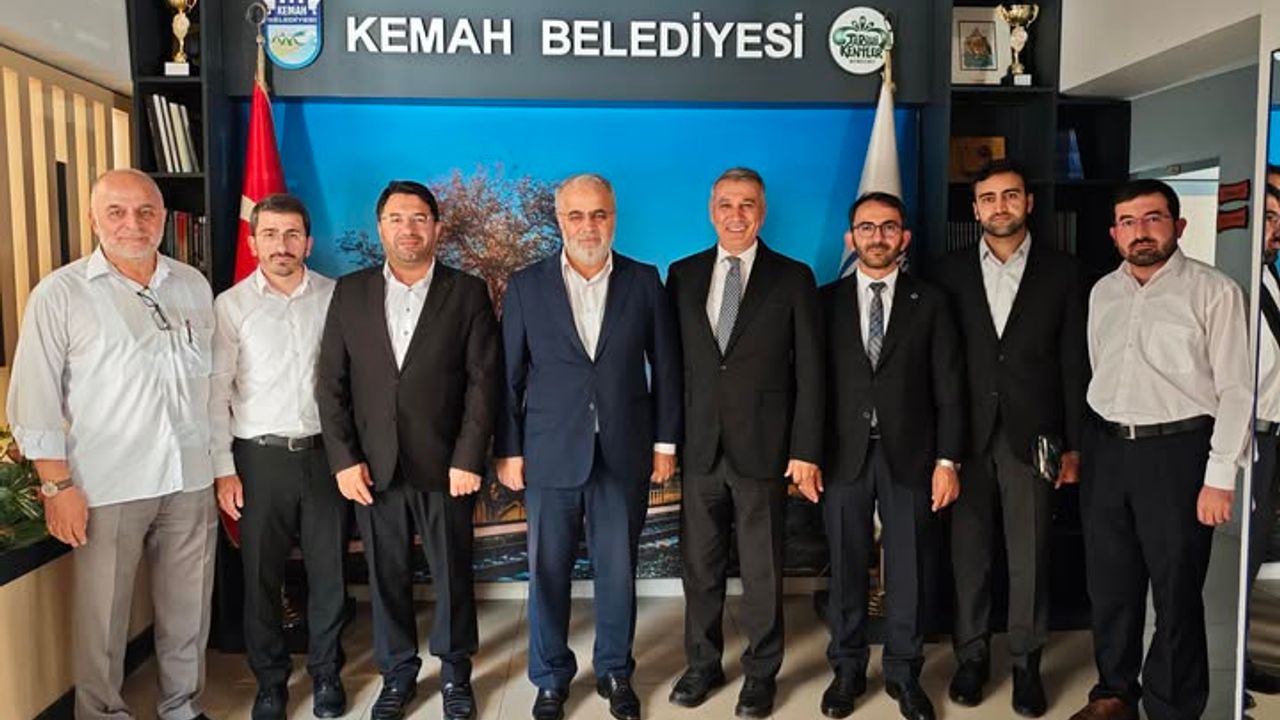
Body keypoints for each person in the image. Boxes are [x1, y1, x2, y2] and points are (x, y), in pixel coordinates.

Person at [6, 168, 218, 720]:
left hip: (190, 477)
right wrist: (56, 486)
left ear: (163, 218)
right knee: (102, 618)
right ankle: (101, 714)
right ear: (93, 219)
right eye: (117, 212)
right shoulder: (60, 294)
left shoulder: (192, 284)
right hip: (107, 483)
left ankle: (182, 707)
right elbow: (34, 397)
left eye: (146, 211)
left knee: (189, 611)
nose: (133, 224)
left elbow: (213, 384)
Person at [495, 173, 681, 720]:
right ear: (560, 221)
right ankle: (550, 677)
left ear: (613, 218)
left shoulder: (644, 281)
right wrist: (508, 450)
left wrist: (665, 443)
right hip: (549, 453)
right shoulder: (526, 286)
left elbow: (667, 369)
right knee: (547, 572)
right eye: (576, 215)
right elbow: (508, 377)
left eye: (599, 214)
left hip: (625, 451)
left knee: (618, 571)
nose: (588, 226)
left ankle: (616, 671)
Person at [316, 180, 500, 720]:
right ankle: (397, 673)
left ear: (436, 227)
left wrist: (469, 456)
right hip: (373, 467)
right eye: (396, 218)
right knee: (386, 576)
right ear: (381, 228)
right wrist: (344, 459)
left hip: (447, 467)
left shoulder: (466, 292)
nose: (408, 229)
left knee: (452, 575)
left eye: (419, 218)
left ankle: (456, 674)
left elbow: (483, 383)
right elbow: (330, 384)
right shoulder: (350, 293)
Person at [1069, 179, 1251, 720]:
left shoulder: (1214, 292)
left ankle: (1173, 705)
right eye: (1128, 222)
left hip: (1178, 454)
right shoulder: (1103, 292)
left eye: (1153, 218)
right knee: (1110, 583)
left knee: (1176, 589)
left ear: (1178, 225)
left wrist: (1220, 475)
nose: (1140, 231)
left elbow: (1237, 390)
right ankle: (1114, 693)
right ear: (1114, 233)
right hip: (1107, 450)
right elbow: (1099, 367)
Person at [931, 160, 1089, 718]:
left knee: (1031, 555)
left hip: (1037, 436)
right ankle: (972, 657)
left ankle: (1026, 663)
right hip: (964, 437)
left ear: (1029, 202)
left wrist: (1073, 445)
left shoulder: (1063, 271)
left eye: (1010, 195)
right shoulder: (946, 272)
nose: (1000, 206)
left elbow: (1074, 363)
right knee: (968, 554)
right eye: (989, 198)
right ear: (975, 209)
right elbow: (938, 364)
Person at [665, 167, 824, 718]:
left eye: (747, 204)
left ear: (762, 211)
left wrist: (805, 448)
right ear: (711, 210)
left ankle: (761, 672)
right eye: (726, 204)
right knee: (699, 567)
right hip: (700, 447)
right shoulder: (682, 275)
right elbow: (672, 369)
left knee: (762, 570)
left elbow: (812, 372)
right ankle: (702, 664)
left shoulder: (793, 278)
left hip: (764, 447)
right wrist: (667, 442)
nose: (736, 215)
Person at [816, 191, 963, 720]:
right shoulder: (824, 302)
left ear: (904, 237)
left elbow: (950, 388)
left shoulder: (932, 301)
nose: (877, 237)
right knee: (846, 567)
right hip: (841, 457)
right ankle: (847, 669)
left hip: (912, 457)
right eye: (866, 227)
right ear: (850, 238)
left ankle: (904, 673)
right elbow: (810, 386)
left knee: (909, 570)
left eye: (888, 227)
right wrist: (806, 454)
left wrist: (947, 461)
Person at [210, 193, 349, 719]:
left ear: (308, 243)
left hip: (325, 456)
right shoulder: (231, 306)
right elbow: (216, 393)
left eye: (292, 234)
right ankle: (270, 681)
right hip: (258, 459)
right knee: (261, 576)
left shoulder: (337, 297)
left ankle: (327, 673)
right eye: (269, 234)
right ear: (253, 242)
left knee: (329, 572)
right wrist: (224, 469)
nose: (281, 245)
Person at [1244, 182, 1280, 706]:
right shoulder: (1233, 281)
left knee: (1253, 559)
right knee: (1236, 556)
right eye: (1269, 214)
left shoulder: (1270, 275)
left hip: (1273, 437)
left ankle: (1243, 660)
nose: (1276, 228)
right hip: (1247, 437)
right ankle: (1224, 673)